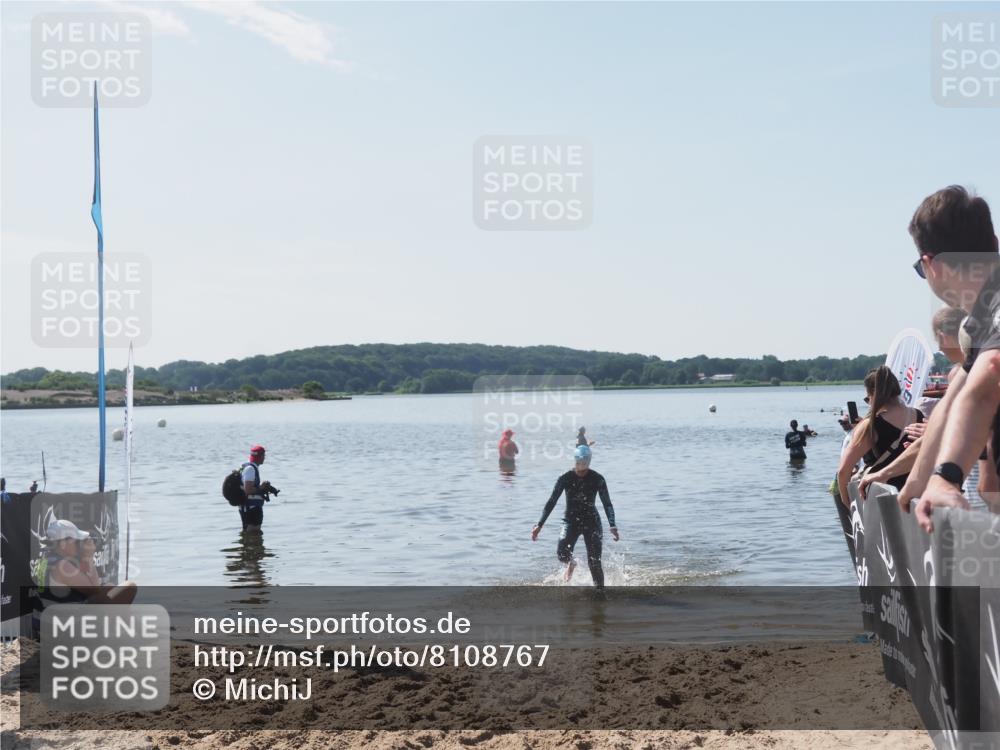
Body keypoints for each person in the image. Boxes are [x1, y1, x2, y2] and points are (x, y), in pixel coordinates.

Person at [896, 186, 1000, 529]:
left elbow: (988, 380)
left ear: (931, 265)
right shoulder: (981, 319)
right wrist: (919, 480)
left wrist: (947, 477)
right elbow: (955, 399)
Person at [531, 445, 619, 588]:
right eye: (579, 463)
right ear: (575, 461)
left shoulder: (598, 479)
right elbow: (552, 501)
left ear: (589, 462)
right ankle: (571, 563)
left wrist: (612, 524)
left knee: (594, 562)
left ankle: (599, 594)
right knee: (561, 553)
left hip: (592, 522)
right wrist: (539, 525)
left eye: (584, 464)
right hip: (570, 521)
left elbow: (607, 503)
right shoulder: (565, 478)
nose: (581, 468)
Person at [838, 367, 924, 508]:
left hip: (881, 504)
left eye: (867, 399)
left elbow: (843, 472)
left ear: (873, 395)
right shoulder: (918, 416)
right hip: (915, 498)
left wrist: (847, 504)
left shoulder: (871, 425)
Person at [34, 519, 136, 605]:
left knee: (109, 587)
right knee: (129, 586)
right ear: (63, 544)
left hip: (47, 617)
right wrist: (88, 557)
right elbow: (94, 590)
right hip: (62, 623)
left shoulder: (44, 560)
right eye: (76, 540)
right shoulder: (63, 566)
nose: (79, 543)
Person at [241, 444, 276, 532]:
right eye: (264, 455)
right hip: (251, 507)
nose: (264, 458)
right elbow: (248, 490)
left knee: (251, 534)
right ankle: (250, 545)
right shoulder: (250, 469)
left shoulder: (249, 468)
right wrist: (261, 487)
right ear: (260, 457)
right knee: (254, 532)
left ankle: (249, 545)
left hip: (250, 506)